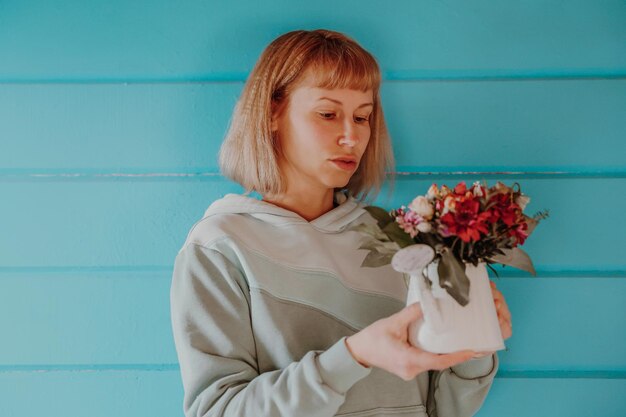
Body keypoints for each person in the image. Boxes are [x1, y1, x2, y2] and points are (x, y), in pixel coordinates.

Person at [170, 29, 513, 417]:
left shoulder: (398, 241)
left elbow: (443, 408)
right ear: (271, 114)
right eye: (328, 114)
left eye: (362, 117)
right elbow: (218, 410)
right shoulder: (219, 247)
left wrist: (476, 346)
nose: (351, 136)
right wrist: (355, 356)